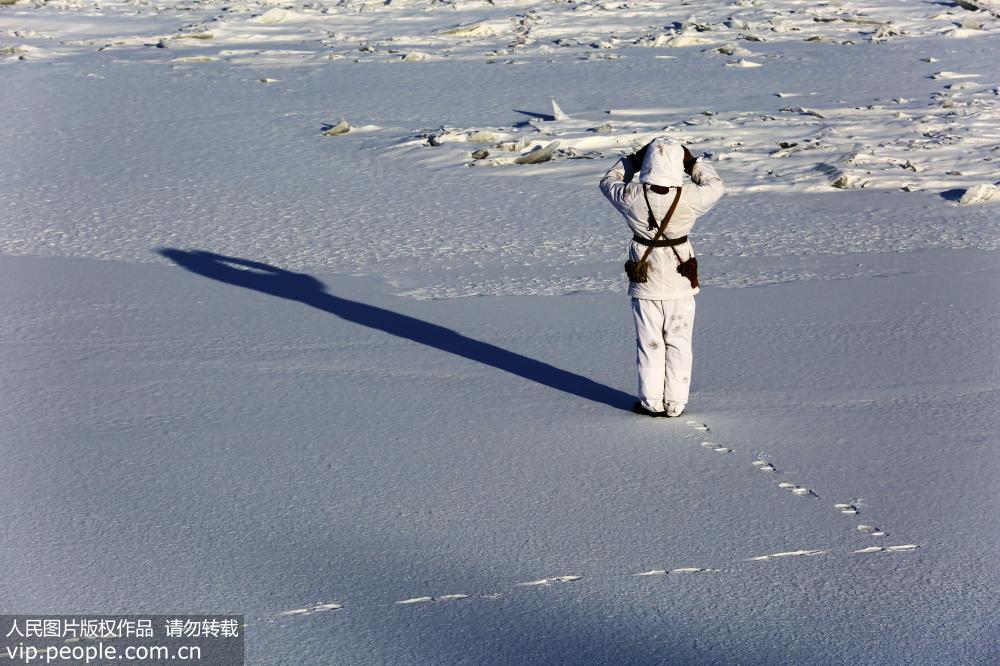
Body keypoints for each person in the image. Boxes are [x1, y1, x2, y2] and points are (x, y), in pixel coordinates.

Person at [599, 137, 724, 417]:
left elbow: (609, 181)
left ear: (648, 163)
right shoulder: (690, 197)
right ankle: (676, 404)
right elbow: (716, 186)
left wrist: (631, 161)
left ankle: (651, 402)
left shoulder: (631, 196)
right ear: (677, 163)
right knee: (679, 342)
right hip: (681, 281)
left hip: (646, 281)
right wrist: (693, 164)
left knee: (650, 343)